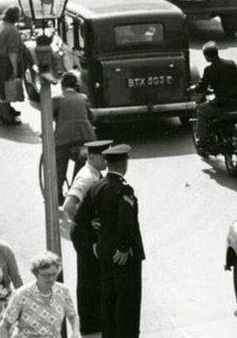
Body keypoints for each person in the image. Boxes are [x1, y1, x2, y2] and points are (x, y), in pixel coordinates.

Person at [75, 144, 144, 338]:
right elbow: (126, 221)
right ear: (124, 164)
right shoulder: (124, 189)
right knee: (127, 304)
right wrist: (123, 248)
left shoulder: (96, 186)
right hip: (124, 257)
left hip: (104, 254)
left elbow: (80, 218)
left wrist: (95, 241)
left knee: (108, 301)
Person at [62, 139, 111, 337]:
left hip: (86, 234)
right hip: (85, 236)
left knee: (92, 278)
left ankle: (93, 323)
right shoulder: (86, 177)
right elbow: (68, 206)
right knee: (90, 279)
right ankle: (91, 326)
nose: (106, 159)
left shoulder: (94, 173)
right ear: (92, 157)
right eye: (103, 156)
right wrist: (85, 223)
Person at [0, 251, 81, 338]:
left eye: (54, 274)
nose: (51, 278)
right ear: (36, 274)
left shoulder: (63, 291)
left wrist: (75, 332)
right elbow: (4, 326)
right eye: (46, 275)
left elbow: (73, 316)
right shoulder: (22, 294)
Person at [194, 42, 237, 151]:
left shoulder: (209, 70)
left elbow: (202, 86)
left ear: (207, 56)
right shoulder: (231, 64)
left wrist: (194, 88)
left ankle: (202, 142)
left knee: (201, 109)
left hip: (222, 105)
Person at [53, 72, 96, 202]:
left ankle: (57, 195)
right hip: (85, 137)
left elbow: (49, 117)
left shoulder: (57, 99)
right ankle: (75, 190)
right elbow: (90, 117)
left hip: (64, 138)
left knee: (59, 164)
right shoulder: (83, 98)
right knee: (82, 161)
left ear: (62, 85)